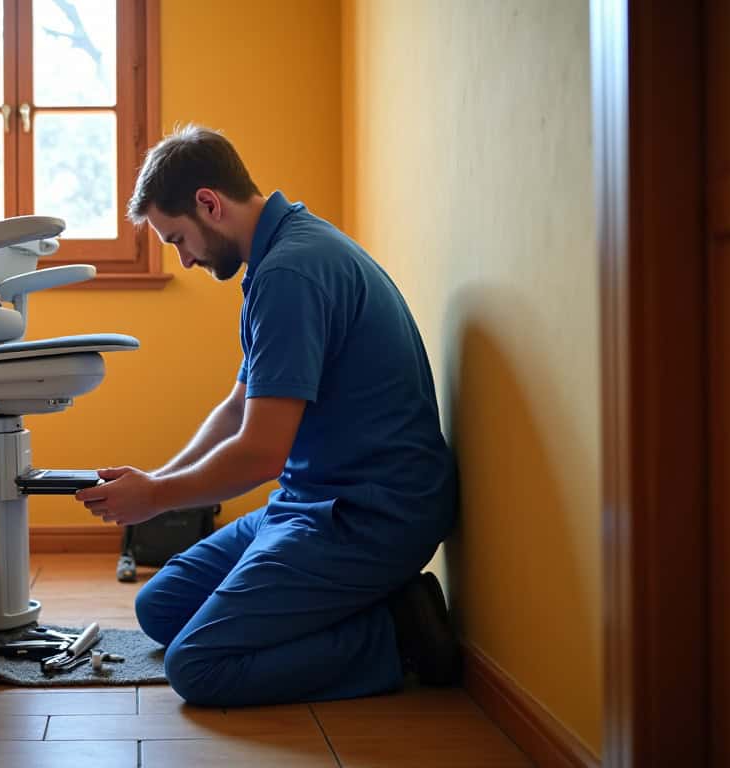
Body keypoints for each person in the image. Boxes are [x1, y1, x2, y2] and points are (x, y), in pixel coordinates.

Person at [74, 125, 461, 706]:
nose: (184, 258)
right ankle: (355, 605)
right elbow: (238, 408)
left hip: (371, 516)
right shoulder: (276, 259)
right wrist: (157, 483)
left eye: (178, 238)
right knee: (160, 607)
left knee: (199, 667)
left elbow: (260, 452)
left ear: (210, 203)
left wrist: (157, 497)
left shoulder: (290, 273)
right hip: (310, 501)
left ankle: (396, 635)